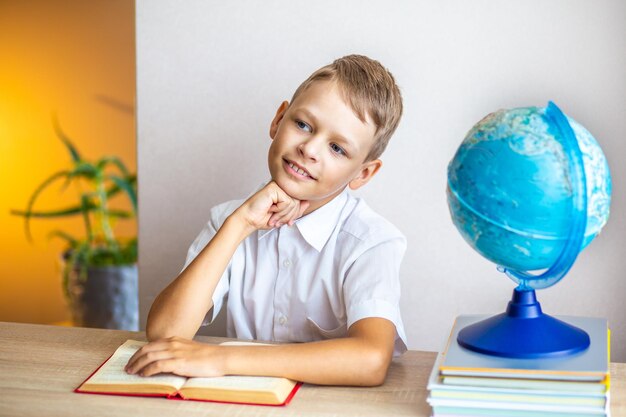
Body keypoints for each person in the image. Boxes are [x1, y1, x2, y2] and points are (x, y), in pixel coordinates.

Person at [126, 54, 406, 386]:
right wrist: (240, 223)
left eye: (337, 148)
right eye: (302, 124)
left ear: (363, 173)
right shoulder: (229, 219)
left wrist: (222, 358)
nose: (310, 149)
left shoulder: (370, 241)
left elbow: (370, 360)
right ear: (278, 120)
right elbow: (165, 333)